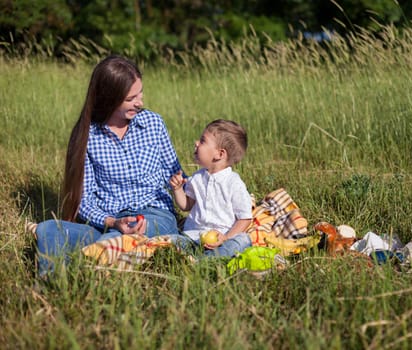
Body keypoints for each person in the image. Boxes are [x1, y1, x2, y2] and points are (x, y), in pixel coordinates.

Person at [34, 55, 187, 275]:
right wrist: (113, 221)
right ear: (109, 99)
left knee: (116, 239)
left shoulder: (154, 123)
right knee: (48, 229)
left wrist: (213, 183)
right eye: (130, 98)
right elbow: (84, 201)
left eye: (140, 93)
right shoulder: (88, 136)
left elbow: (176, 175)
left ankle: (84, 269)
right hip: (108, 222)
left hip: (154, 216)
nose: (140, 102)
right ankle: (52, 285)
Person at [169, 119, 253, 258]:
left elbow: (244, 219)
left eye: (202, 141)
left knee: (243, 240)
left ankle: (203, 261)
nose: (196, 143)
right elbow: (186, 206)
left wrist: (226, 238)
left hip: (222, 239)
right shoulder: (196, 178)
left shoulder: (233, 183)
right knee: (171, 240)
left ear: (219, 154)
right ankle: (201, 259)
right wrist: (177, 189)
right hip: (193, 237)